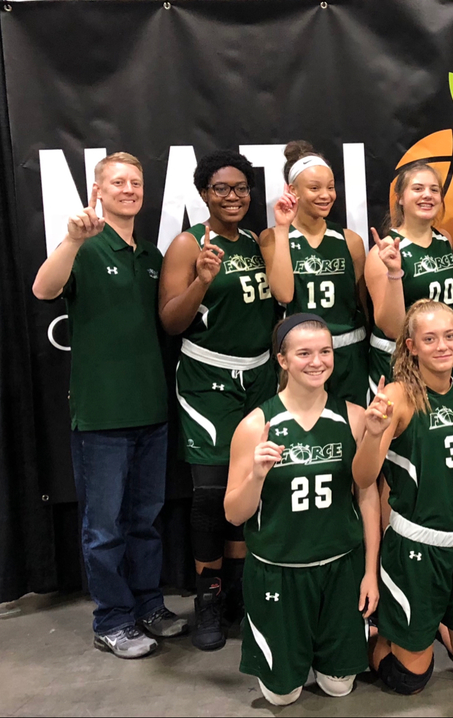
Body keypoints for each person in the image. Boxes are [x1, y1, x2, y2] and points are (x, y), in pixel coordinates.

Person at [31, 152, 186, 658]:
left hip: (151, 410)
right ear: (98, 191)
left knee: (145, 520)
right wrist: (72, 240)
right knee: (104, 529)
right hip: (100, 415)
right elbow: (43, 289)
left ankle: (148, 606)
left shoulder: (153, 255)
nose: (129, 189)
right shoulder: (84, 246)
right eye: (118, 182)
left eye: (135, 182)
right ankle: (112, 620)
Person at [158, 150, 297, 651]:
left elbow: (282, 298)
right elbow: (171, 321)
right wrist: (201, 280)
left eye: (240, 188)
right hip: (208, 378)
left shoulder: (259, 241)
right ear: (204, 194)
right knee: (211, 493)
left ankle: (239, 591)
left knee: (251, 484)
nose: (233, 196)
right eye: (221, 188)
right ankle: (208, 596)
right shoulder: (188, 243)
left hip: (257, 377)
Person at [224, 314, 382, 705]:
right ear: (282, 360)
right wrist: (256, 476)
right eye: (304, 353)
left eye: (325, 351)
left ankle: (329, 648)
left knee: (338, 686)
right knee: (282, 696)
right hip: (279, 570)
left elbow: (367, 496)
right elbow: (233, 514)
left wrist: (370, 572)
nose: (317, 361)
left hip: (339, 567)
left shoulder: (354, 417)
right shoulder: (255, 426)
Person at [359, 300, 453, 694]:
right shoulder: (397, 397)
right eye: (430, 338)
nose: (442, 345)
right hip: (417, 547)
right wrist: (371, 434)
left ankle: (433, 621)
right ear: (412, 346)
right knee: (410, 679)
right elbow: (364, 477)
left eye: (449, 336)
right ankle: (371, 637)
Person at [276, 141, 370, 406]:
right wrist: (282, 229)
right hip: (303, 355)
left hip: (349, 352)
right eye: (314, 188)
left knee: (353, 423)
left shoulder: (350, 240)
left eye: (330, 187)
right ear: (292, 190)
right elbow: (283, 294)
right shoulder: (275, 238)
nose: (326, 195)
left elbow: (363, 303)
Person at [365, 163, 453, 396]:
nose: (427, 195)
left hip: (447, 353)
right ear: (400, 198)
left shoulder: (444, 239)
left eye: (434, 189)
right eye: (418, 188)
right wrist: (394, 272)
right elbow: (392, 328)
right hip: (404, 358)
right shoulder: (383, 251)